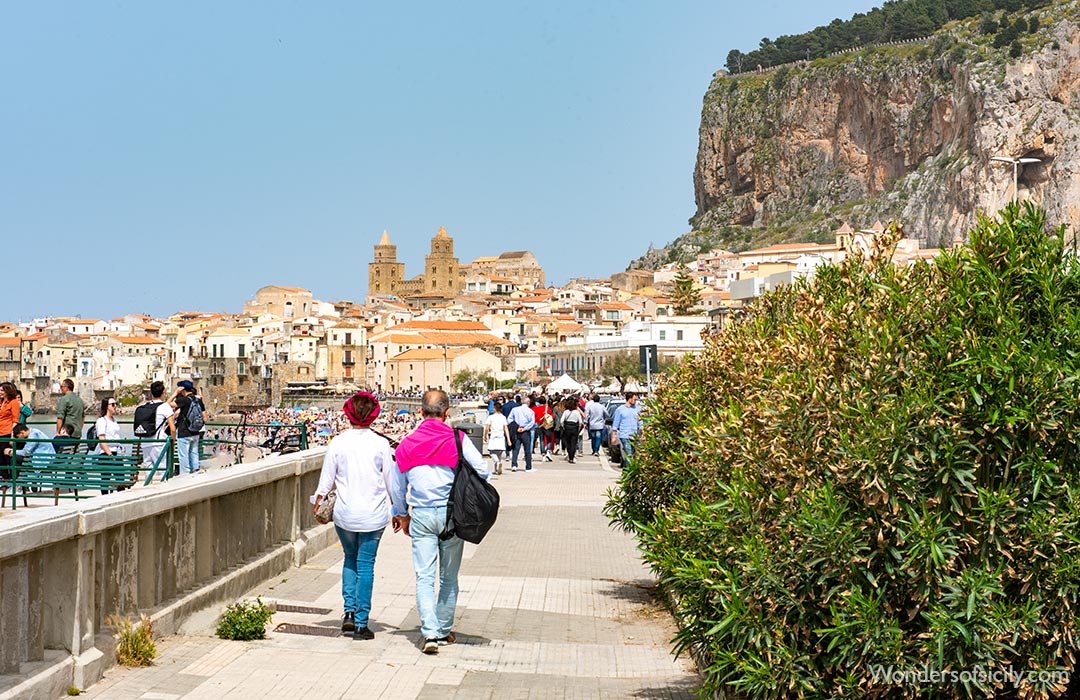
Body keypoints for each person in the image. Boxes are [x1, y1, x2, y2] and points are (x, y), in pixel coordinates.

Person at [390, 390, 490, 655]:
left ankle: (430, 633)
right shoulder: (458, 439)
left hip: (421, 514)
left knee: (424, 576)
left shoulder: (407, 443)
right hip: (451, 515)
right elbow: (484, 470)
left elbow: (397, 486)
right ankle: (444, 630)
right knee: (448, 576)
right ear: (448, 414)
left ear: (420, 412)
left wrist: (402, 514)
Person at [312, 392, 394, 640]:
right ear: (373, 415)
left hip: (345, 513)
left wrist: (317, 505)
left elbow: (325, 482)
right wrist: (401, 511)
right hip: (373, 514)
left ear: (348, 414)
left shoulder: (338, 442)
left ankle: (348, 612)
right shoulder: (381, 444)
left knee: (349, 558)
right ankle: (361, 623)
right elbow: (392, 483)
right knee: (366, 565)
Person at [169, 380, 203, 474]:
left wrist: (175, 393)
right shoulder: (198, 400)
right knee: (194, 454)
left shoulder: (184, 400)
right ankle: (196, 473)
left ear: (182, 389)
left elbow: (168, 404)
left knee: (184, 457)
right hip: (196, 432)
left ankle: (185, 477)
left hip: (184, 432)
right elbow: (205, 417)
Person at [140, 381, 175, 472]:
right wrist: (173, 443)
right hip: (159, 442)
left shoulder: (145, 406)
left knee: (148, 470)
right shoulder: (165, 407)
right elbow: (173, 428)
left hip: (145, 442)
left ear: (151, 393)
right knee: (162, 470)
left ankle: (148, 485)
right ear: (163, 393)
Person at [610, 392, 641, 462]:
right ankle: (629, 470)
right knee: (629, 455)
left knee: (634, 456)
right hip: (625, 435)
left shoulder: (637, 409)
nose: (635, 401)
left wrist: (643, 433)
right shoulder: (620, 410)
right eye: (634, 399)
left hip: (635, 435)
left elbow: (640, 422)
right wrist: (613, 437)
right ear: (629, 399)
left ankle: (627, 471)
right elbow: (615, 424)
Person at [0, 383, 22, 479]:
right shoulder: (1, 402)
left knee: (7, 458)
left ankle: (11, 481)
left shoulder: (13, 403)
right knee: (0, 459)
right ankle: (4, 480)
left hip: (7, 433)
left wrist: (12, 436)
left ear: (7, 391)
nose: (0, 392)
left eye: (2, 390)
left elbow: (15, 420)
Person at [509, 395, 536, 472]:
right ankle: (528, 466)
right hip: (525, 431)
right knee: (527, 449)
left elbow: (509, 419)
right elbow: (532, 422)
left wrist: (516, 427)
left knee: (515, 449)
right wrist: (525, 428)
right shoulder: (531, 411)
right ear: (528, 403)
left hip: (516, 430)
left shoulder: (515, 410)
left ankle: (514, 465)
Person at [483, 399, 510, 476]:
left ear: (494, 409)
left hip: (494, 436)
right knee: (499, 453)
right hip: (501, 436)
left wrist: (485, 435)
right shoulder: (503, 417)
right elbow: (506, 428)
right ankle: (497, 468)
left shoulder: (491, 417)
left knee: (492, 452)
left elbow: (487, 427)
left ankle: (497, 463)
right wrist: (508, 439)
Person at [560, 397, 585, 464]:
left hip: (567, 427)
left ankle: (569, 455)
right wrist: (578, 429)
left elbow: (561, 421)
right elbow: (580, 422)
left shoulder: (565, 412)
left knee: (568, 443)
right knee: (573, 443)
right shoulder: (576, 412)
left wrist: (564, 427)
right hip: (575, 428)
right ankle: (572, 457)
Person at [532, 396, 554, 462]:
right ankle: (548, 450)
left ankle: (543, 454)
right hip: (547, 425)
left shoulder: (536, 409)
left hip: (539, 425)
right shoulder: (548, 408)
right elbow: (552, 416)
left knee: (541, 440)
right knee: (549, 439)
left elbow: (534, 417)